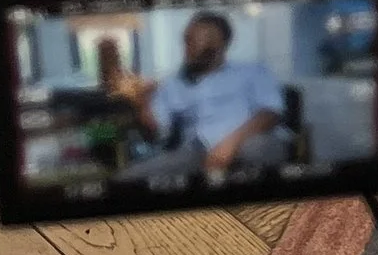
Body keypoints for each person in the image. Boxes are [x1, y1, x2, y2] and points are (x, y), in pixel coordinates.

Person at [118, 12, 290, 186]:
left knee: (256, 150)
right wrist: (144, 102)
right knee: (127, 180)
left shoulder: (253, 71)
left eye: (192, 41)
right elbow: (157, 132)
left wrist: (229, 145)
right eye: (185, 40)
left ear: (218, 44)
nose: (186, 47)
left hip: (248, 141)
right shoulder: (173, 83)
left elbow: (270, 114)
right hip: (196, 153)